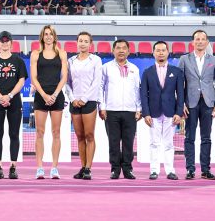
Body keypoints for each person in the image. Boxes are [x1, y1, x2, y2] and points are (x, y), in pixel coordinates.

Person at [177, 30, 215, 180]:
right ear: (192, 42)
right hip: (190, 103)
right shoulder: (184, 59)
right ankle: (190, 169)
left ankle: (205, 170)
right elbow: (179, 83)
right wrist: (181, 103)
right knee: (189, 137)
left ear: (207, 42)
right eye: (197, 39)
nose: (200, 42)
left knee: (206, 138)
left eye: (203, 39)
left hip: (208, 103)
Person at [0, 31, 27, 179]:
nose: (4, 44)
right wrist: (0, 97)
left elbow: (21, 81)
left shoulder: (18, 61)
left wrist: (9, 96)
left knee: (14, 134)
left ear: (11, 43)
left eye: (7, 41)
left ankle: (13, 167)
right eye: (2, 41)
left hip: (14, 101)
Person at [140, 41, 184, 180]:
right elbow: (143, 95)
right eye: (158, 50)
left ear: (168, 52)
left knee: (169, 143)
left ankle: (170, 171)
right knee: (154, 143)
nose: (160, 53)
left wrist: (179, 112)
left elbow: (181, 94)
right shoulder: (147, 72)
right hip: (153, 113)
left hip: (171, 112)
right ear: (153, 53)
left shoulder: (176, 72)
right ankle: (154, 170)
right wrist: (146, 113)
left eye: (163, 50)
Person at [30, 25, 68, 179]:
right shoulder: (35, 54)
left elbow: (64, 77)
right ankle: (39, 168)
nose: (48, 36)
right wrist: (44, 95)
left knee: (56, 132)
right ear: (42, 36)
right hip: (41, 96)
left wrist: (55, 94)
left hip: (57, 96)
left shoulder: (62, 54)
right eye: (46, 34)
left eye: (51, 34)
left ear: (54, 36)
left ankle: (54, 168)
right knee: (39, 132)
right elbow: (34, 78)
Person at [100, 39, 141, 180]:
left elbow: (137, 90)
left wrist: (139, 108)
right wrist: (102, 107)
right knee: (113, 142)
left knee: (129, 142)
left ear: (129, 51)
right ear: (113, 51)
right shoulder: (106, 68)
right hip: (111, 110)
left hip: (130, 111)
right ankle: (115, 169)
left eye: (124, 48)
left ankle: (128, 169)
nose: (121, 50)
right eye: (118, 48)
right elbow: (100, 88)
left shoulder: (134, 69)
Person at [67, 31, 102, 180]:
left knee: (89, 135)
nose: (82, 43)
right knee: (80, 136)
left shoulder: (96, 60)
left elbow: (97, 82)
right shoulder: (70, 61)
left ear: (90, 44)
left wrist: (85, 98)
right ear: (77, 43)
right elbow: (67, 82)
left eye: (86, 41)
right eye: (80, 41)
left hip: (89, 102)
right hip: (74, 103)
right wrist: (72, 98)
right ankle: (82, 167)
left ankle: (88, 168)